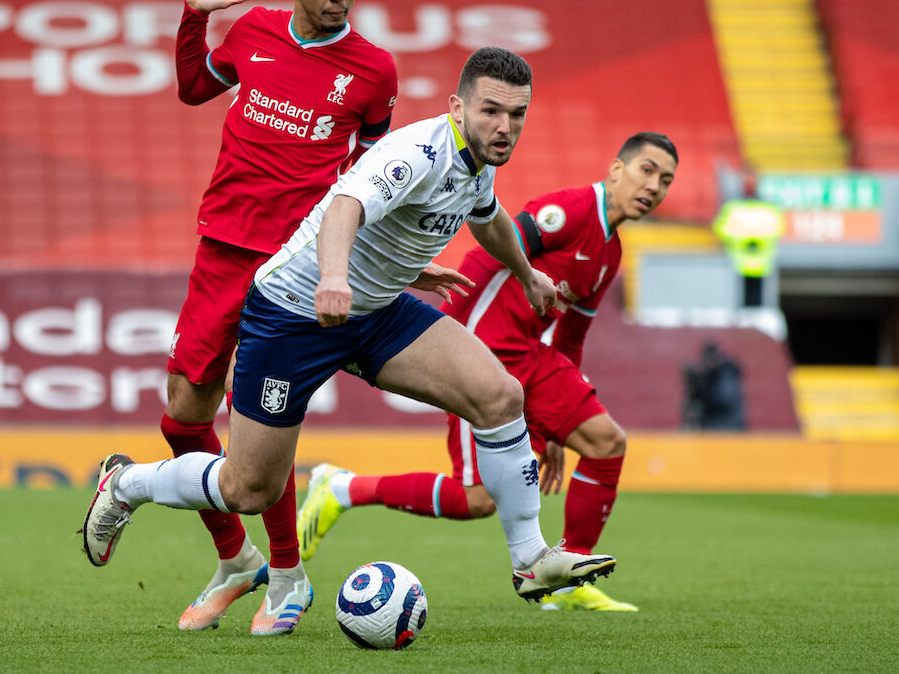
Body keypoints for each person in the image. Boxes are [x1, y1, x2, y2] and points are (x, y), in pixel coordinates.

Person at [82, 48, 619, 630]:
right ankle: (128, 482)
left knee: (500, 396)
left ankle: (530, 560)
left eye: (517, 115)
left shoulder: (479, 162)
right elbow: (344, 206)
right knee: (248, 489)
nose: (505, 126)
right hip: (294, 314)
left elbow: (487, 215)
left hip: (376, 313)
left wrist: (526, 272)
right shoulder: (416, 153)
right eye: (491, 111)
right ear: (457, 107)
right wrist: (334, 279)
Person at [296, 132, 679, 612]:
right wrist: (459, 344)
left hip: (533, 358)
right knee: (478, 499)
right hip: (489, 352)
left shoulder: (611, 253)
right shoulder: (571, 210)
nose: (654, 186)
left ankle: (565, 575)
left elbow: (572, 338)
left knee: (606, 443)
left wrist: (559, 430)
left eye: (665, 180)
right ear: (617, 169)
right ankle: (343, 488)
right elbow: (494, 247)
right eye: (647, 170)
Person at [112, 0, 398, 636]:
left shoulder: (374, 70)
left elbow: (372, 176)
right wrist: (193, 16)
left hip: (295, 261)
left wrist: (360, 256)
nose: (337, 2)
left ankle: (289, 575)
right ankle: (237, 561)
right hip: (222, 245)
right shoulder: (252, 29)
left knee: (259, 423)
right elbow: (192, 90)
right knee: (182, 414)